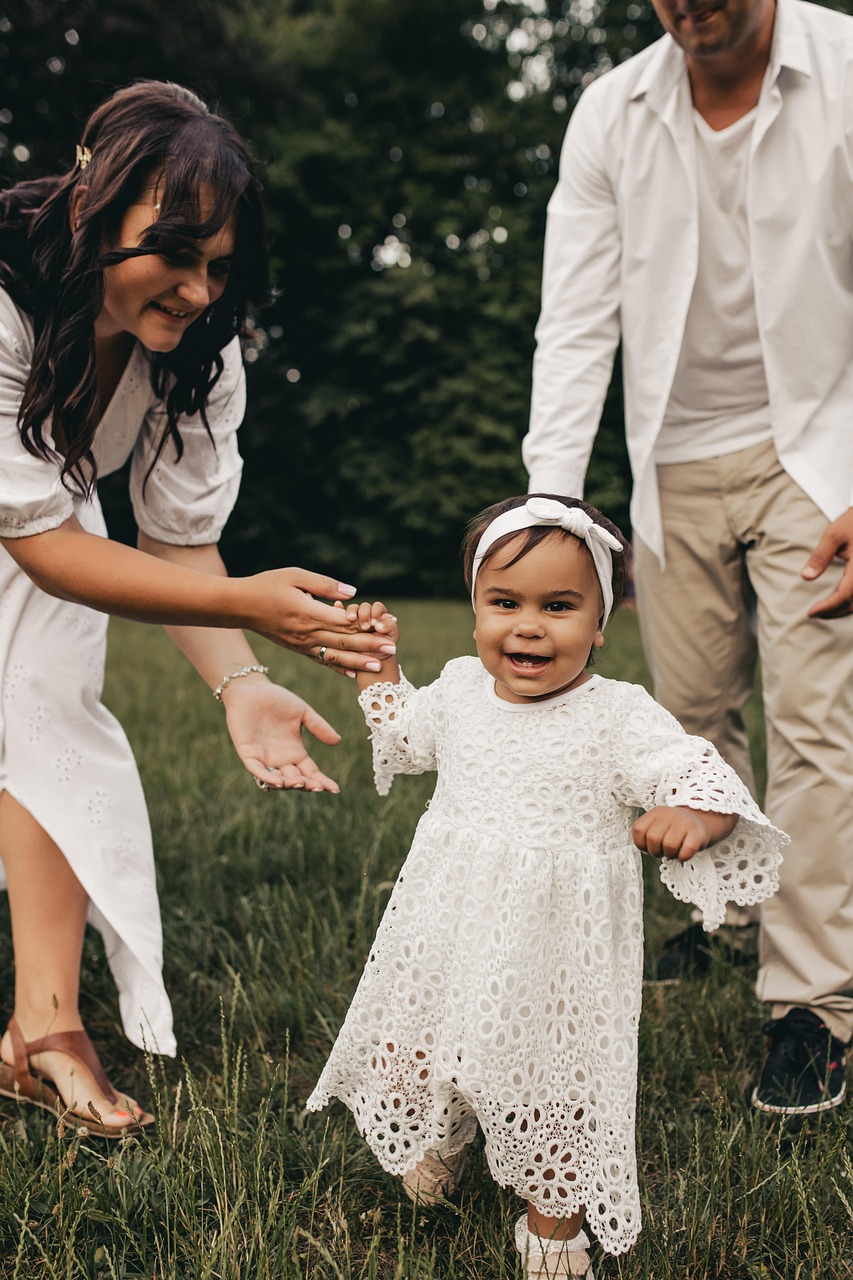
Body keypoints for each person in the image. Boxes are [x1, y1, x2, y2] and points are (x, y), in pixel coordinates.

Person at [0, 81, 395, 1138]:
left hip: (36, 518)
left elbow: (173, 541)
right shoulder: (6, 294)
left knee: (47, 694)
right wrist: (248, 607)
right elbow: (42, 545)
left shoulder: (201, 347)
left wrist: (241, 680)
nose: (195, 288)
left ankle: (42, 1029)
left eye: (217, 264)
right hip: (28, 523)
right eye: (173, 252)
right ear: (92, 207)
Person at [307, 495, 784, 1278]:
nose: (528, 627)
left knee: (552, 1086)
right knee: (427, 1035)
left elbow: (699, 774)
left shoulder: (617, 715)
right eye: (504, 603)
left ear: (599, 623)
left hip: (555, 947)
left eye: (558, 607)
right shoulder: (460, 689)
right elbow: (407, 739)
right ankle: (441, 1135)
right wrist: (379, 671)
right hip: (448, 918)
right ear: (474, 611)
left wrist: (691, 816)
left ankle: (552, 1225)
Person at [523, 0, 853, 1117]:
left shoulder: (842, 69)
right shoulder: (610, 111)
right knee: (692, 716)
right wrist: (553, 508)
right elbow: (576, 320)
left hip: (818, 453)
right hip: (668, 460)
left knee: (813, 723)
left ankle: (811, 1004)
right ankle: (728, 912)